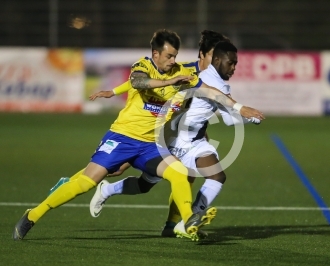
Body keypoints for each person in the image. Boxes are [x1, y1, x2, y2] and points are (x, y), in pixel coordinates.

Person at [13, 29, 265, 241]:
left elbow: (212, 92)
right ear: (156, 54)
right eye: (168, 56)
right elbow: (138, 83)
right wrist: (126, 89)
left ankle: (188, 222)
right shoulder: (143, 65)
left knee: (179, 174)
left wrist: (240, 108)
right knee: (87, 183)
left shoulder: (181, 73)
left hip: (151, 145)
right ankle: (33, 214)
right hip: (122, 137)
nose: (172, 60)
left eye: (175, 56)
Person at [90, 41, 261, 240]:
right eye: (231, 63)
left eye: (235, 63)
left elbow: (229, 118)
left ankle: (186, 222)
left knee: (214, 176)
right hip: (168, 140)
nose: (234, 68)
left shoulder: (221, 85)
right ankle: (106, 189)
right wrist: (114, 92)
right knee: (144, 184)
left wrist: (250, 117)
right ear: (212, 58)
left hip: (194, 143)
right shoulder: (195, 77)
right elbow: (146, 84)